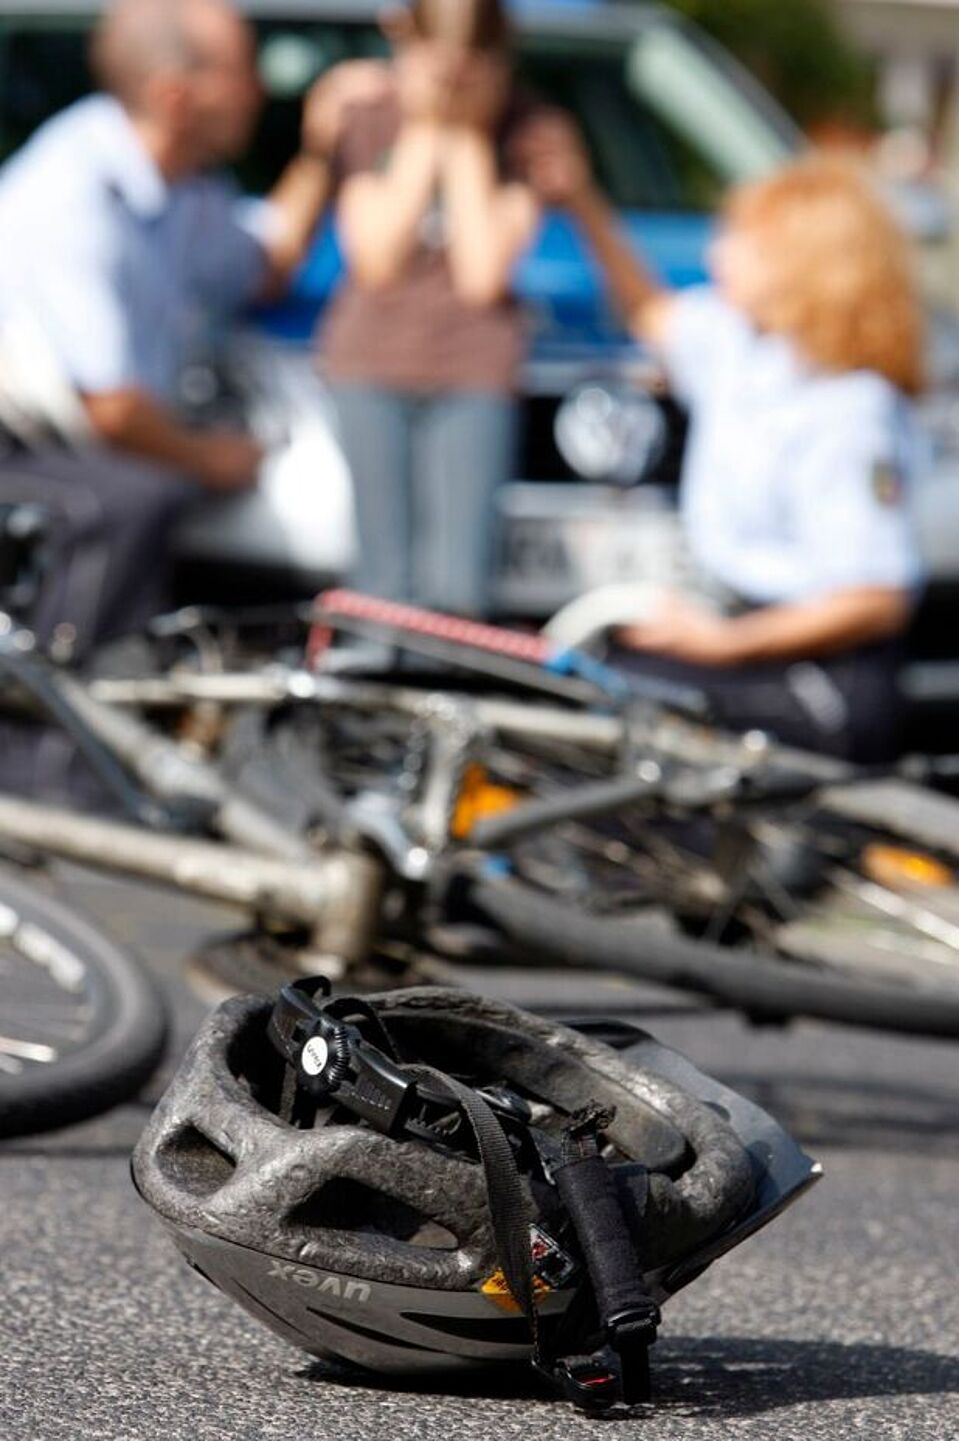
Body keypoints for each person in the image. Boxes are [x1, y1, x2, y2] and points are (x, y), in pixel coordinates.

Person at [523, 130, 926, 761]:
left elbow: (874, 600)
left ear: (803, 262)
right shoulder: (742, 346)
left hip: (817, 673)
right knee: (572, 679)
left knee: (606, 706)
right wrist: (583, 202)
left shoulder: (850, 408)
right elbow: (651, 313)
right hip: (744, 637)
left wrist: (721, 644)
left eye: (741, 240)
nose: (717, 254)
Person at [0, 0, 381, 655]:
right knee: (134, 501)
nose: (259, 90)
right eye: (240, 72)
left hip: (80, 434)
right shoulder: (71, 196)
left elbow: (262, 265)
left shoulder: (187, 191)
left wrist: (322, 155)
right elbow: (112, 408)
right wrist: (216, 459)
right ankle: (66, 709)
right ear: (174, 96)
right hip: (22, 442)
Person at [320, 0, 543, 618]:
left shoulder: (526, 128)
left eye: (468, 63)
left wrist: (466, 135)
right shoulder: (370, 117)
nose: (451, 78)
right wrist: (422, 128)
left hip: (474, 370)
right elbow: (377, 258)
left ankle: (446, 677)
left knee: (459, 587)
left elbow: (483, 274)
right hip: (370, 365)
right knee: (380, 581)